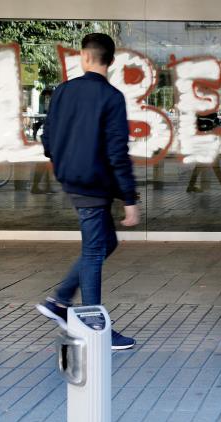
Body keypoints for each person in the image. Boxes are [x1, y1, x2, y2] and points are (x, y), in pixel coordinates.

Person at [35, 33, 138, 350]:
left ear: (84, 56)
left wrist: (65, 163)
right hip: (94, 186)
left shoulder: (63, 91)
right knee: (94, 251)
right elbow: (117, 152)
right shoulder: (112, 97)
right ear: (111, 61)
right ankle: (96, 330)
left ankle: (61, 301)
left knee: (107, 242)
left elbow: (48, 139)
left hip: (75, 181)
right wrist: (130, 200)